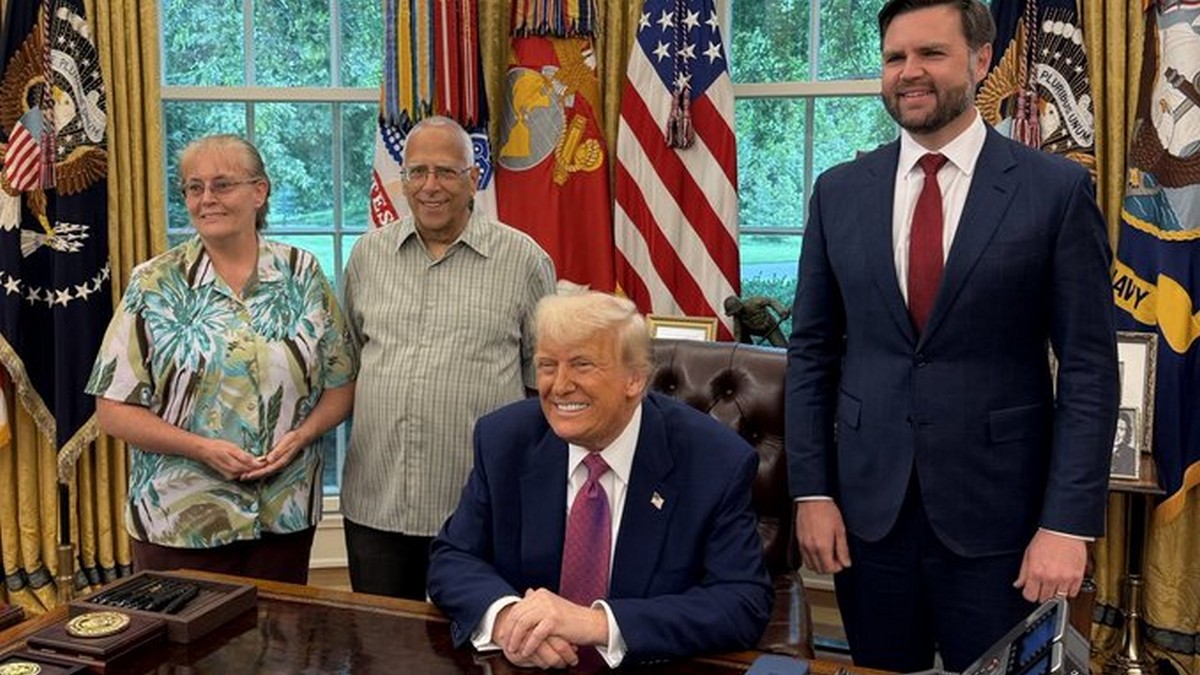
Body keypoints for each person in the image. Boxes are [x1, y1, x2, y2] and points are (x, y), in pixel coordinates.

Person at [784, 0, 1119, 670]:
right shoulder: (839, 191)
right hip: (867, 517)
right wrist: (811, 491)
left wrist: (1066, 523)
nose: (909, 72)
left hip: (1003, 519)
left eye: (931, 53)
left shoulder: (1054, 190)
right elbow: (812, 353)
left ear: (981, 59)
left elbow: (1088, 367)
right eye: (894, 57)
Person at [427, 292, 772, 670]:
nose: (559, 386)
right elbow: (453, 557)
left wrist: (597, 624)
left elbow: (742, 601)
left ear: (634, 379)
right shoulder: (505, 440)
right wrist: (510, 619)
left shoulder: (714, 461)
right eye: (547, 365)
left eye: (582, 365)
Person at [87, 134, 357, 583]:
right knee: (185, 633)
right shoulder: (153, 283)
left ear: (259, 191)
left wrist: (303, 435)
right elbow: (113, 409)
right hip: (179, 521)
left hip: (283, 516)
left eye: (222, 184)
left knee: (282, 629)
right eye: (194, 188)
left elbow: (341, 384)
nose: (206, 198)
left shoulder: (303, 273)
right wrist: (201, 448)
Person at [342, 116, 556, 600]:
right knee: (380, 637)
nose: (430, 186)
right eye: (417, 172)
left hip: (479, 506)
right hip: (378, 502)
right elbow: (350, 361)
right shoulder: (368, 256)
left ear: (473, 178)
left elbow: (541, 383)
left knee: (475, 637)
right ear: (402, 180)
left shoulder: (523, 260)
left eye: (445, 171)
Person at [1111, 410, 1138, 478]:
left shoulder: (1132, 454)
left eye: (1121, 429)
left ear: (1127, 432)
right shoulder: (1097, 450)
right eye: (1114, 427)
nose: (1117, 434)